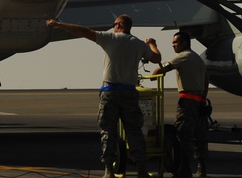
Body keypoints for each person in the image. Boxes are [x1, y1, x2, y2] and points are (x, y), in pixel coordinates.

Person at [47, 15, 161, 178]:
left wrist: (58, 24)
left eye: (114, 24)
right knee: (134, 132)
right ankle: (142, 169)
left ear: (120, 25)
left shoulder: (110, 38)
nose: (112, 27)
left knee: (108, 132)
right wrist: (152, 44)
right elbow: (157, 58)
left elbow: (82, 31)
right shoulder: (138, 44)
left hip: (110, 91)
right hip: (129, 92)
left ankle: (109, 170)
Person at [156, 31, 208, 178]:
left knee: (183, 135)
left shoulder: (183, 56)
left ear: (185, 43)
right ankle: (201, 168)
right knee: (200, 137)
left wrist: (154, 75)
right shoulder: (198, 58)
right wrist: (203, 97)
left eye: (175, 42)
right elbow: (206, 80)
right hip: (201, 102)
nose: (173, 45)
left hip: (188, 102)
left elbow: (162, 68)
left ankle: (184, 169)